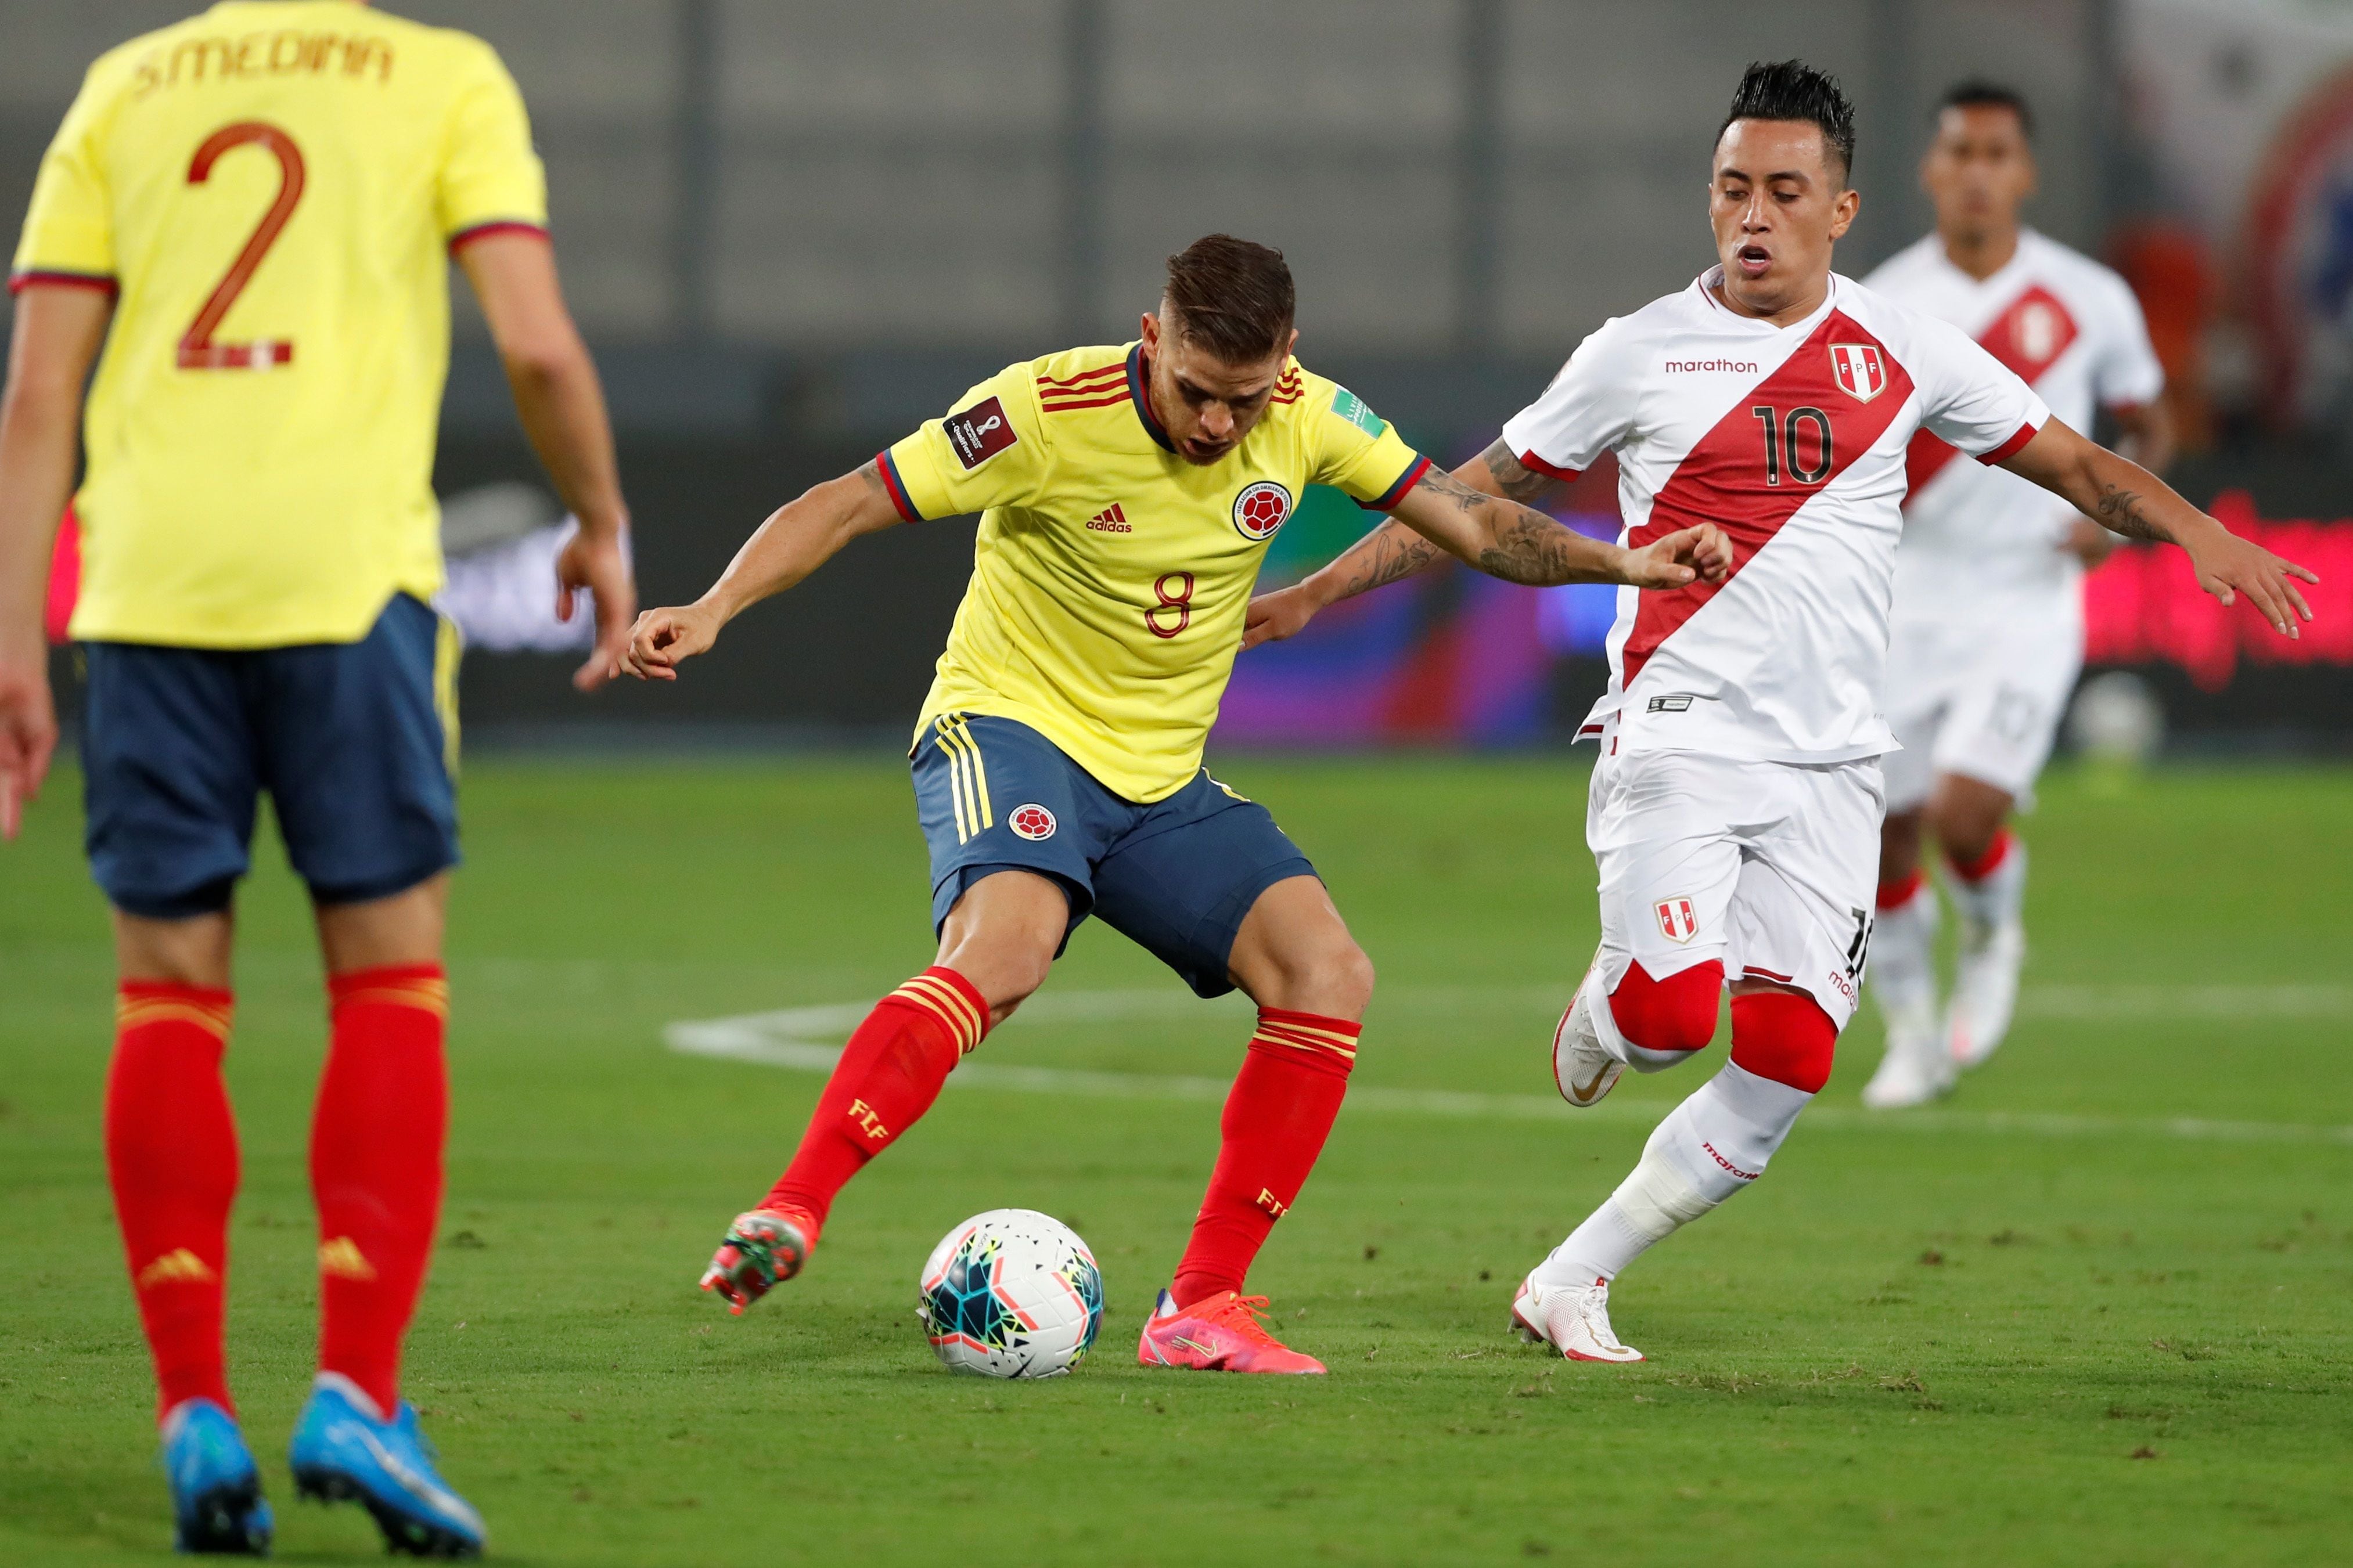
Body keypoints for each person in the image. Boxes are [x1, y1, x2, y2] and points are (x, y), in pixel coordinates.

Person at [1244, 61, 2314, 1364]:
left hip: (1833, 760)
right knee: (1668, 1021)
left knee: (1791, 1060)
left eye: (1783, 191)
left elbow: (2076, 462)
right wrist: (1312, 596)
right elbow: (1465, 497)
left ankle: (1572, 1278)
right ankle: (1612, 1001)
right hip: (1681, 721)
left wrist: (2194, 528)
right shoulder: (1638, 349)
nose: (1753, 215)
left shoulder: (1899, 347)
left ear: (1840, 209)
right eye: (1731, 189)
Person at [622, 233, 1729, 1376]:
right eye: (1195, 391)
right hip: (1011, 730)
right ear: (1152, 340)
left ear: (1286, 360)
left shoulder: (1310, 415)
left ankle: (1201, 1303)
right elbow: (849, 501)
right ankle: (793, 1205)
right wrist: (715, 607)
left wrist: (1632, 565)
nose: (1215, 425)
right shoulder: (1043, 410)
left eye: (1241, 400)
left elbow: (1476, 522)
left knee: (1327, 972)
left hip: (1157, 778)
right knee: (1008, 946)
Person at [0, 3, 635, 1553]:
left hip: (145, 594)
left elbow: (36, 399)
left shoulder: (124, 86)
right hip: (347, 589)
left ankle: (192, 1405)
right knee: (386, 981)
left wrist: (16, 640)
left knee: (166, 994)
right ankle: (354, 1384)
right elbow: (537, 339)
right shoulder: (438, 76)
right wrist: (597, 520)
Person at [1857, 82, 2175, 1107]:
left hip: (2027, 594)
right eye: (1962, 153)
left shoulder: (2089, 297)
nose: (1980, 173)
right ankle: (1910, 1030)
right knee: (1879, 833)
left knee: (1961, 814)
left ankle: (1993, 935)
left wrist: (2116, 512)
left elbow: (2149, 423)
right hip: (1909, 591)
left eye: (1999, 153)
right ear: (1932, 171)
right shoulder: (1883, 302)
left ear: (2025, 173)